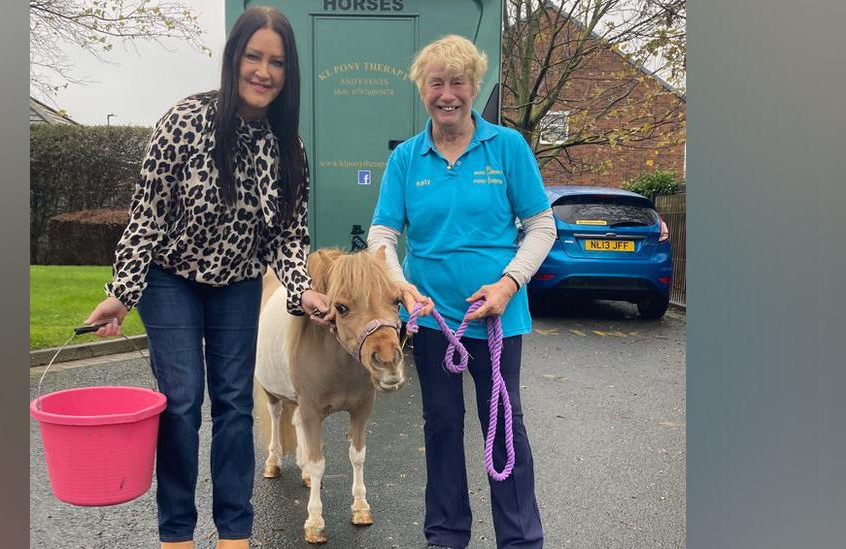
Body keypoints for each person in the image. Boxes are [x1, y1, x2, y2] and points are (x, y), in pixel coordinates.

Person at [83, 7, 331, 549]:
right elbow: (146, 215)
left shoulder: (289, 148)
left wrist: (301, 288)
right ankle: (177, 534)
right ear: (233, 59)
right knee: (182, 400)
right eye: (254, 57)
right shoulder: (185, 122)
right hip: (170, 278)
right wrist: (122, 292)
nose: (264, 71)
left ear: (288, 73)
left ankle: (235, 534)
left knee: (235, 403)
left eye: (277, 62)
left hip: (238, 283)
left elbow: (287, 237)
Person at [366, 35, 557, 549]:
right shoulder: (408, 158)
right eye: (436, 83)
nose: (447, 94)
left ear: (473, 87)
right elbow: (383, 234)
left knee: (504, 427)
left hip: (496, 318)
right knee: (442, 427)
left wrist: (508, 283)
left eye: (458, 82)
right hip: (431, 321)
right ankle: (446, 536)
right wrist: (400, 285)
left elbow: (541, 226)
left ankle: (519, 540)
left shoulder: (507, 147)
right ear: (422, 90)